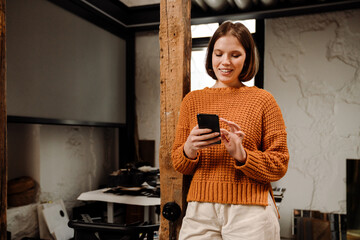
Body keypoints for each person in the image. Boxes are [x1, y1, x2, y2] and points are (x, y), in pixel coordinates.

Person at [171, 21, 289, 240]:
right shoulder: (192, 101)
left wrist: (242, 155)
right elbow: (179, 164)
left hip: (252, 211)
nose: (225, 62)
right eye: (218, 54)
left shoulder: (263, 100)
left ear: (247, 58)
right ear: (210, 57)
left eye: (235, 55)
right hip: (200, 210)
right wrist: (189, 148)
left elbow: (279, 164)